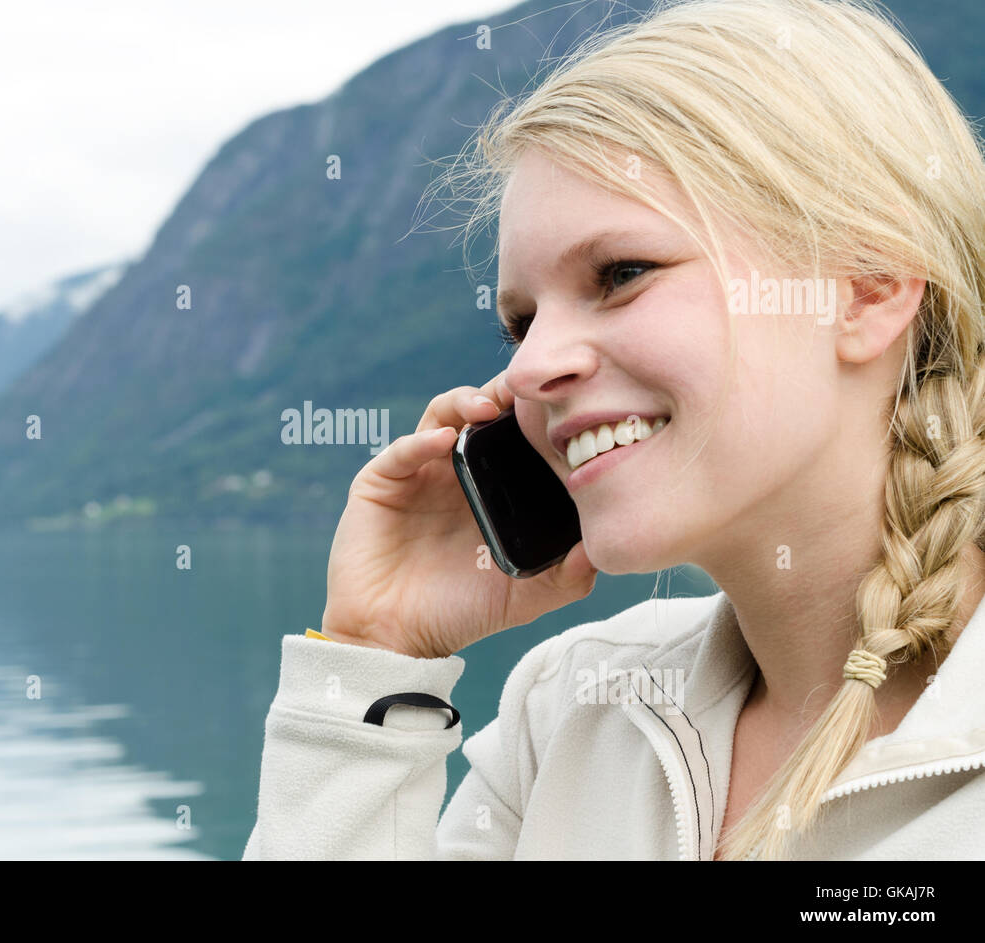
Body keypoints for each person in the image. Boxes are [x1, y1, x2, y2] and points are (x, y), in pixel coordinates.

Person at [243, 0, 985, 860]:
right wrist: (375, 657)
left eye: (621, 274)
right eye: (519, 324)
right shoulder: (568, 708)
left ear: (866, 287)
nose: (528, 370)